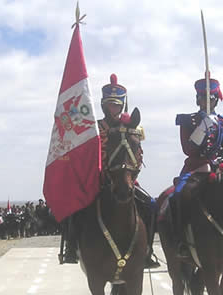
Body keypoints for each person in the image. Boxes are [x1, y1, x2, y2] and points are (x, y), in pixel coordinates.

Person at [62, 74, 160, 268]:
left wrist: (132, 173)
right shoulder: (95, 128)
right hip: (99, 178)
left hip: (125, 178)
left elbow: (138, 154)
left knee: (149, 206)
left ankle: (148, 251)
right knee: (76, 209)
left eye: (116, 105)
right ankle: (71, 248)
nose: (113, 108)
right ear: (103, 105)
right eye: (109, 105)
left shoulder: (132, 127)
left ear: (122, 105)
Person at [170, 77, 223, 258]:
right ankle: (181, 241)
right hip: (196, 168)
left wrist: (221, 161)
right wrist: (203, 126)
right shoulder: (187, 121)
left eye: (210, 99)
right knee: (179, 195)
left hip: (221, 168)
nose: (206, 102)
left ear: (216, 100)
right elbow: (188, 148)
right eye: (203, 98)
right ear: (197, 99)